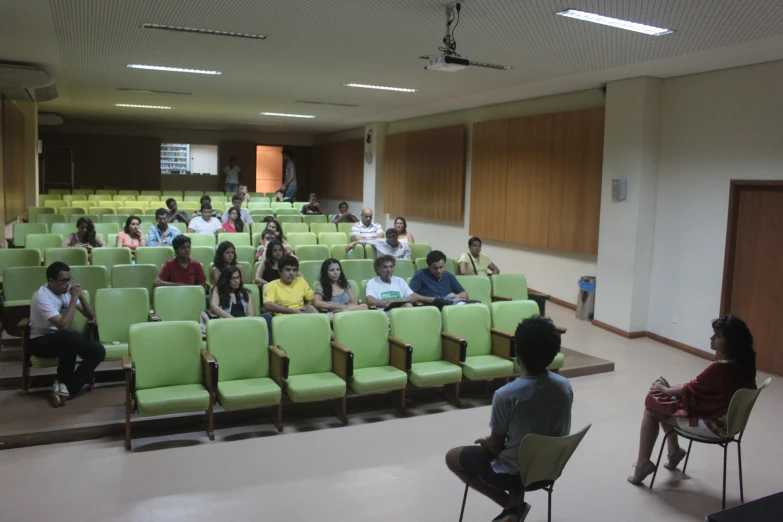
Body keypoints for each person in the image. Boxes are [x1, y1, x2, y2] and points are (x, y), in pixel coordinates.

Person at [445, 316, 572, 522]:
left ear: (516, 350)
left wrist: (486, 442)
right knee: (519, 447)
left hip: (515, 474)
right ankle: (514, 507)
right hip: (549, 469)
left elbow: (495, 447)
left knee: (452, 457)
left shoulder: (507, 395)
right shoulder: (564, 385)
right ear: (554, 352)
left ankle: (513, 508)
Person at [627, 315, 757, 486]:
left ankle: (642, 464)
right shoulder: (745, 367)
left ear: (731, 342)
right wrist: (670, 390)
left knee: (652, 406)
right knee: (669, 401)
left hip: (713, 425)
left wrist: (665, 389)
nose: (712, 338)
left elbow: (690, 389)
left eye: (717, 336)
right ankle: (674, 452)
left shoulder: (720, 369)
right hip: (729, 422)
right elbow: (696, 388)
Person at [27, 262, 106, 407]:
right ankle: (64, 386)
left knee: (98, 350)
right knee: (69, 337)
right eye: (63, 281)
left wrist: (81, 297)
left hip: (62, 340)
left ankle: (67, 389)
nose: (67, 284)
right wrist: (74, 298)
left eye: (69, 279)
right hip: (39, 341)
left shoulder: (65, 292)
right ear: (51, 281)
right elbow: (63, 325)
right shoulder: (42, 297)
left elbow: (91, 315)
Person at [346, 228, 411, 259]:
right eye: (389, 237)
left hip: (398, 268)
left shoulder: (405, 247)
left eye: (394, 236)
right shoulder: (379, 242)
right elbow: (364, 241)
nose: (392, 239)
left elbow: (405, 262)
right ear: (386, 237)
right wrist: (353, 243)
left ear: (397, 236)